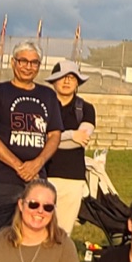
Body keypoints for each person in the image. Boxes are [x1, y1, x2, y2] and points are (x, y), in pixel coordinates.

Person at [0, 43, 63, 233]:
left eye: (34, 63)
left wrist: (37, 164)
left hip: (37, 179)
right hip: (3, 179)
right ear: (13, 62)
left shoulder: (48, 95)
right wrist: (19, 166)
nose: (28, 67)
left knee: (35, 235)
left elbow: (55, 134)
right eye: (23, 61)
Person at [44, 62, 95, 236]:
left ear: (78, 82)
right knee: (40, 227)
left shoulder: (86, 109)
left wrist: (58, 137)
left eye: (72, 77)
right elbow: (39, 140)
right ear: (53, 81)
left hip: (73, 178)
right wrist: (71, 135)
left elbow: (81, 138)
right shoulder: (42, 106)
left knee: (63, 232)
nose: (67, 81)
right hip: (44, 174)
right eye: (62, 77)